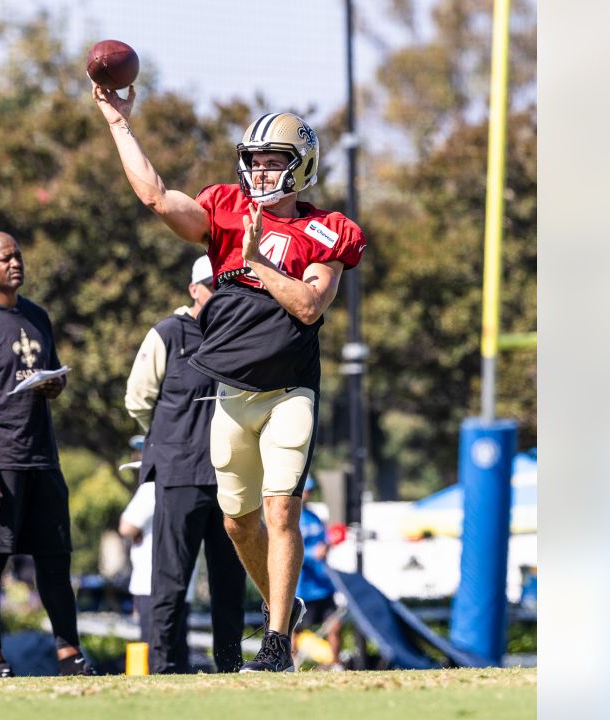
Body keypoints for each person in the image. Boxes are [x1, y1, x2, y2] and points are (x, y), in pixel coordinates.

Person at [94, 86, 366, 672]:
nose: (261, 171)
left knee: (279, 514)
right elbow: (156, 198)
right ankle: (282, 608)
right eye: (255, 160)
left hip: (290, 392)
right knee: (238, 523)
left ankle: (275, 645)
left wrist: (262, 265)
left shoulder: (327, 231)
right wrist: (118, 122)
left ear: (302, 167)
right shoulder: (224, 209)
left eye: (274, 161)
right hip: (231, 393)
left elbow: (312, 306)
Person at [0, 231, 94, 678]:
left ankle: (70, 655)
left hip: (42, 457)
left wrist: (57, 384)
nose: (15, 263)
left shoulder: (37, 316)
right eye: (4, 257)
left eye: (18, 255)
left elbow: (48, 371)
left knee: (55, 558)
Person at [124, 255, 247, 673]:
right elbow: (138, 400)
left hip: (230, 477)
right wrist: (170, 436)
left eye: (227, 286)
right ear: (194, 289)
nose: (219, 294)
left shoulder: (238, 333)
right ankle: (165, 667)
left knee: (230, 582)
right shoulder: (167, 334)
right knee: (171, 580)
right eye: (213, 286)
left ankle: (230, 664)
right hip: (179, 474)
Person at [294, 477, 342, 669]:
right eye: (306, 490)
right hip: (301, 588)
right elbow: (288, 552)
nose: (308, 494)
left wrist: (329, 544)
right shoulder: (291, 518)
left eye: (310, 490)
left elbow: (324, 541)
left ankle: (335, 664)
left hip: (322, 587)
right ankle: (291, 665)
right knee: (293, 631)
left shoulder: (314, 517)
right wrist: (313, 554)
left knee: (335, 624)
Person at [117, 478, 155, 646]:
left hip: (149, 584)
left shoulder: (150, 487)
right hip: (178, 583)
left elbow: (126, 527)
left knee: (151, 646)